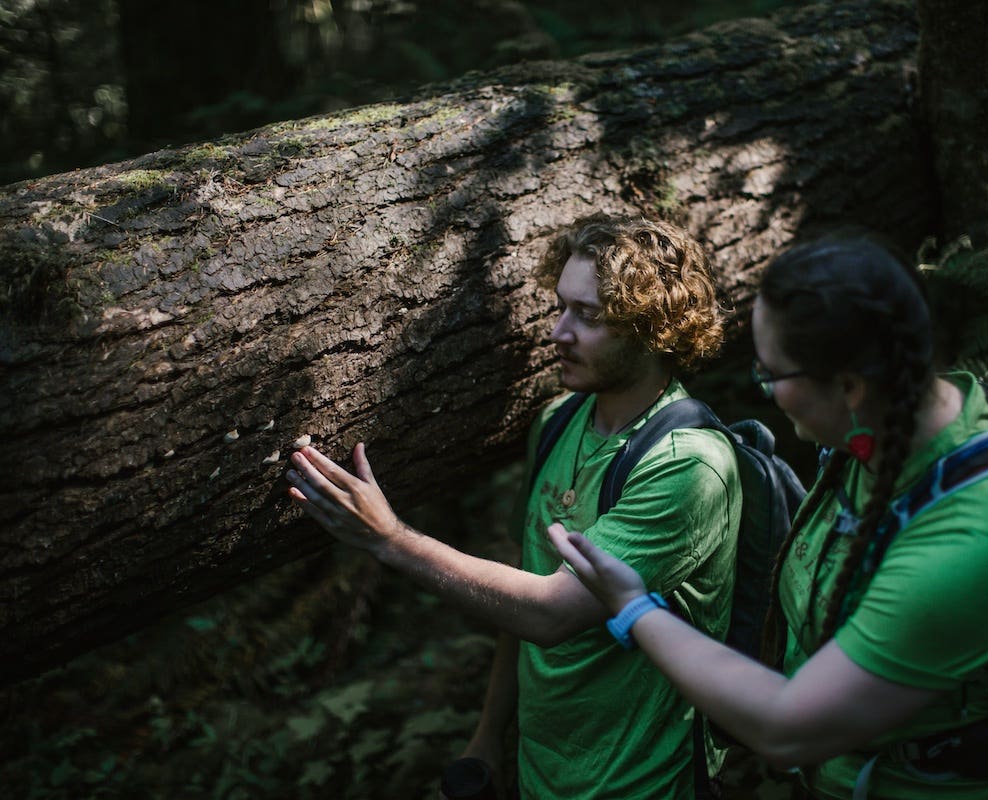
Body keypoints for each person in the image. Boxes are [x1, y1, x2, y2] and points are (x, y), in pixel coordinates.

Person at [549, 235, 988, 800]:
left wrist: (633, 607)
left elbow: (788, 728)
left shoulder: (971, 547)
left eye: (771, 376)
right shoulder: (884, 435)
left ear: (849, 385)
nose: (768, 394)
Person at [285, 214, 742, 799]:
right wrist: (488, 736)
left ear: (652, 327)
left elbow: (549, 614)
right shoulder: (559, 421)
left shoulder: (687, 465)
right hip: (538, 778)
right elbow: (522, 592)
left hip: (641, 784)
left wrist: (390, 539)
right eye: (561, 307)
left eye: (589, 316)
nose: (557, 332)